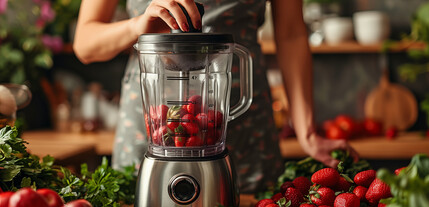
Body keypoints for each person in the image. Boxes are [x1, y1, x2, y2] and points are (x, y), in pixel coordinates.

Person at [74, 0, 358, 193]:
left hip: (245, 134)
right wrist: (137, 26)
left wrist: (306, 131)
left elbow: (292, 33)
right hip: (152, 130)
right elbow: (85, 44)